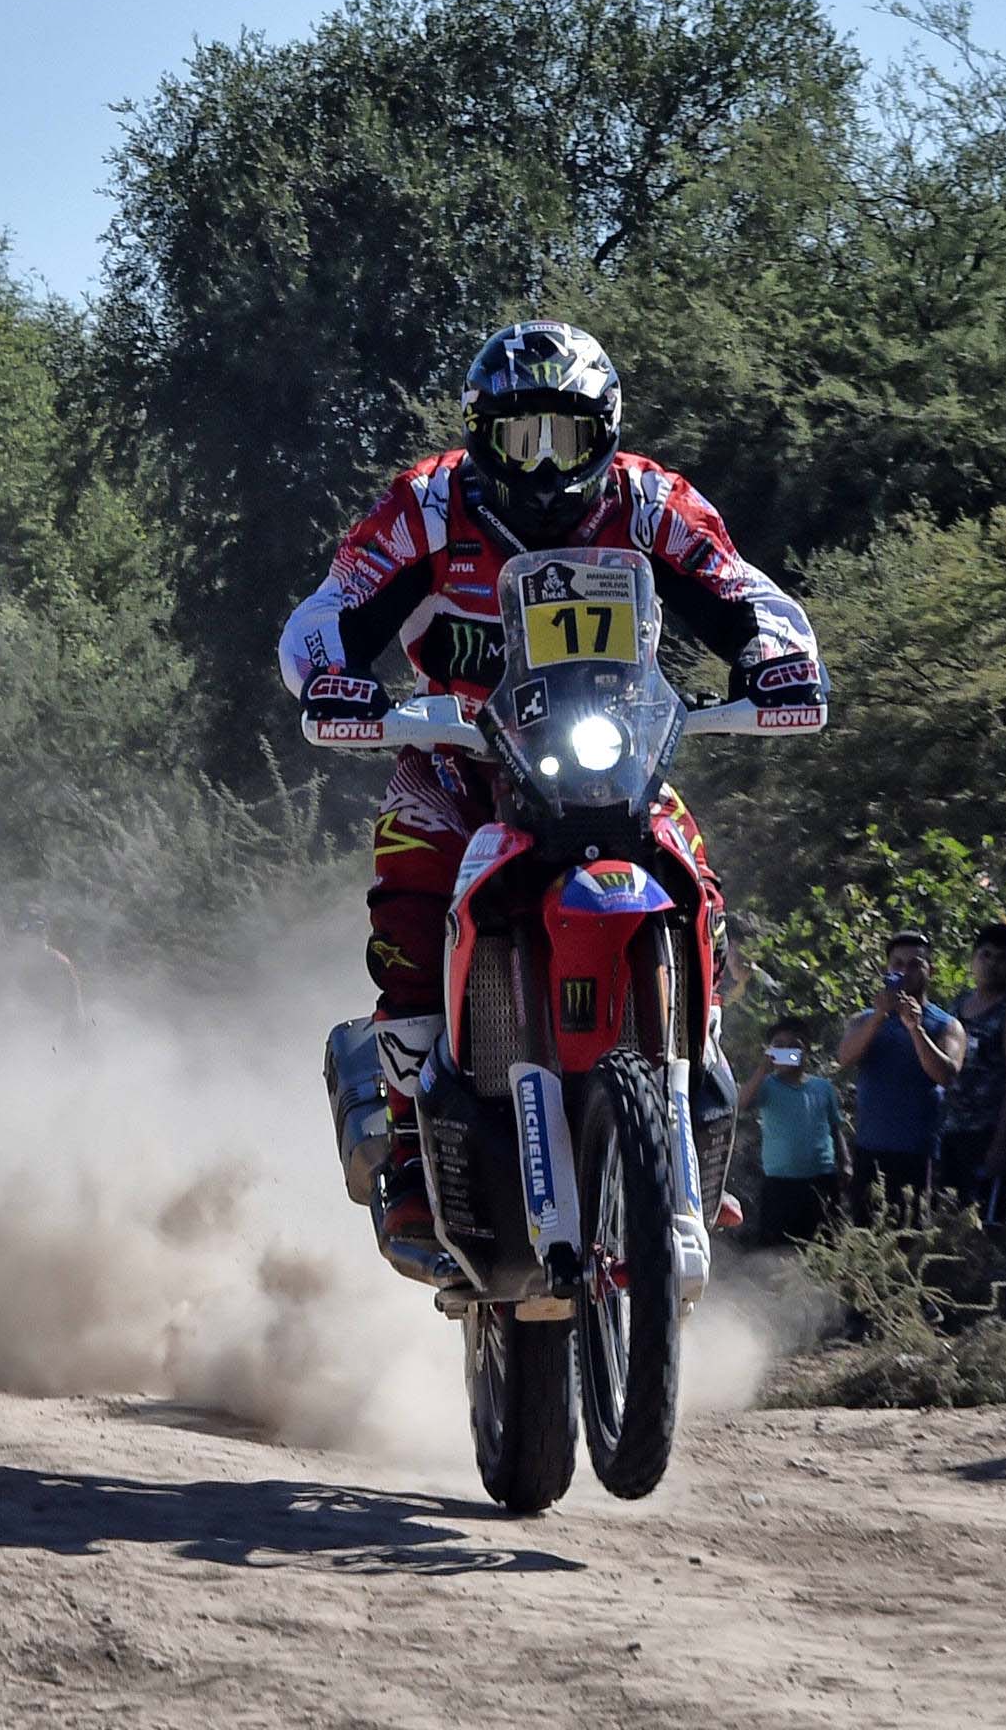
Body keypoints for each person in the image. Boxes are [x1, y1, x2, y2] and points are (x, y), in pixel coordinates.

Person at [277, 319, 826, 1258]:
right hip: (459, 755)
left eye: (562, 437)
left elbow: (747, 593)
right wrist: (332, 677)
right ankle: (409, 1149)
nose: (540, 463)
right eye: (517, 436)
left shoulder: (651, 501)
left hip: (616, 758)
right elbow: (327, 610)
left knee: (699, 890)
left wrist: (777, 659)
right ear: (478, 435)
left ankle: (684, 1130)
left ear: (603, 433)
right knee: (410, 898)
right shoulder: (428, 505)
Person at [835, 929, 964, 1222]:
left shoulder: (946, 1025)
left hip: (918, 1154)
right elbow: (844, 1058)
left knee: (912, 1237)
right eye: (898, 964)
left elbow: (946, 1075)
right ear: (887, 969)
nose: (905, 972)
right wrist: (878, 1017)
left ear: (930, 971)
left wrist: (915, 1029)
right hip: (869, 1149)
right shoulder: (863, 1019)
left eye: (915, 964)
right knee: (863, 1236)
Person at [939, 921, 1006, 1224]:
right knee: (944, 1221)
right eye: (985, 955)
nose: (992, 964)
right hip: (952, 1130)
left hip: (990, 1132)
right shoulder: (958, 1006)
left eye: (1002, 958)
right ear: (973, 960)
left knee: (981, 1224)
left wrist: (1000, 1144)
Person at [739, 1016, 846, 1248]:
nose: (786, 1052)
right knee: (777, 1249)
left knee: (823, 1245)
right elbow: (741, 1104)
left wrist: (845, 1163)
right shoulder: (767, 1086)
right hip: (780, 1184)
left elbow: (834, 1127)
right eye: (779, 1046)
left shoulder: (823, 1088)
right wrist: (762, 1069)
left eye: (794, 1046)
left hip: (821, 1180)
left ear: (806, 1050)